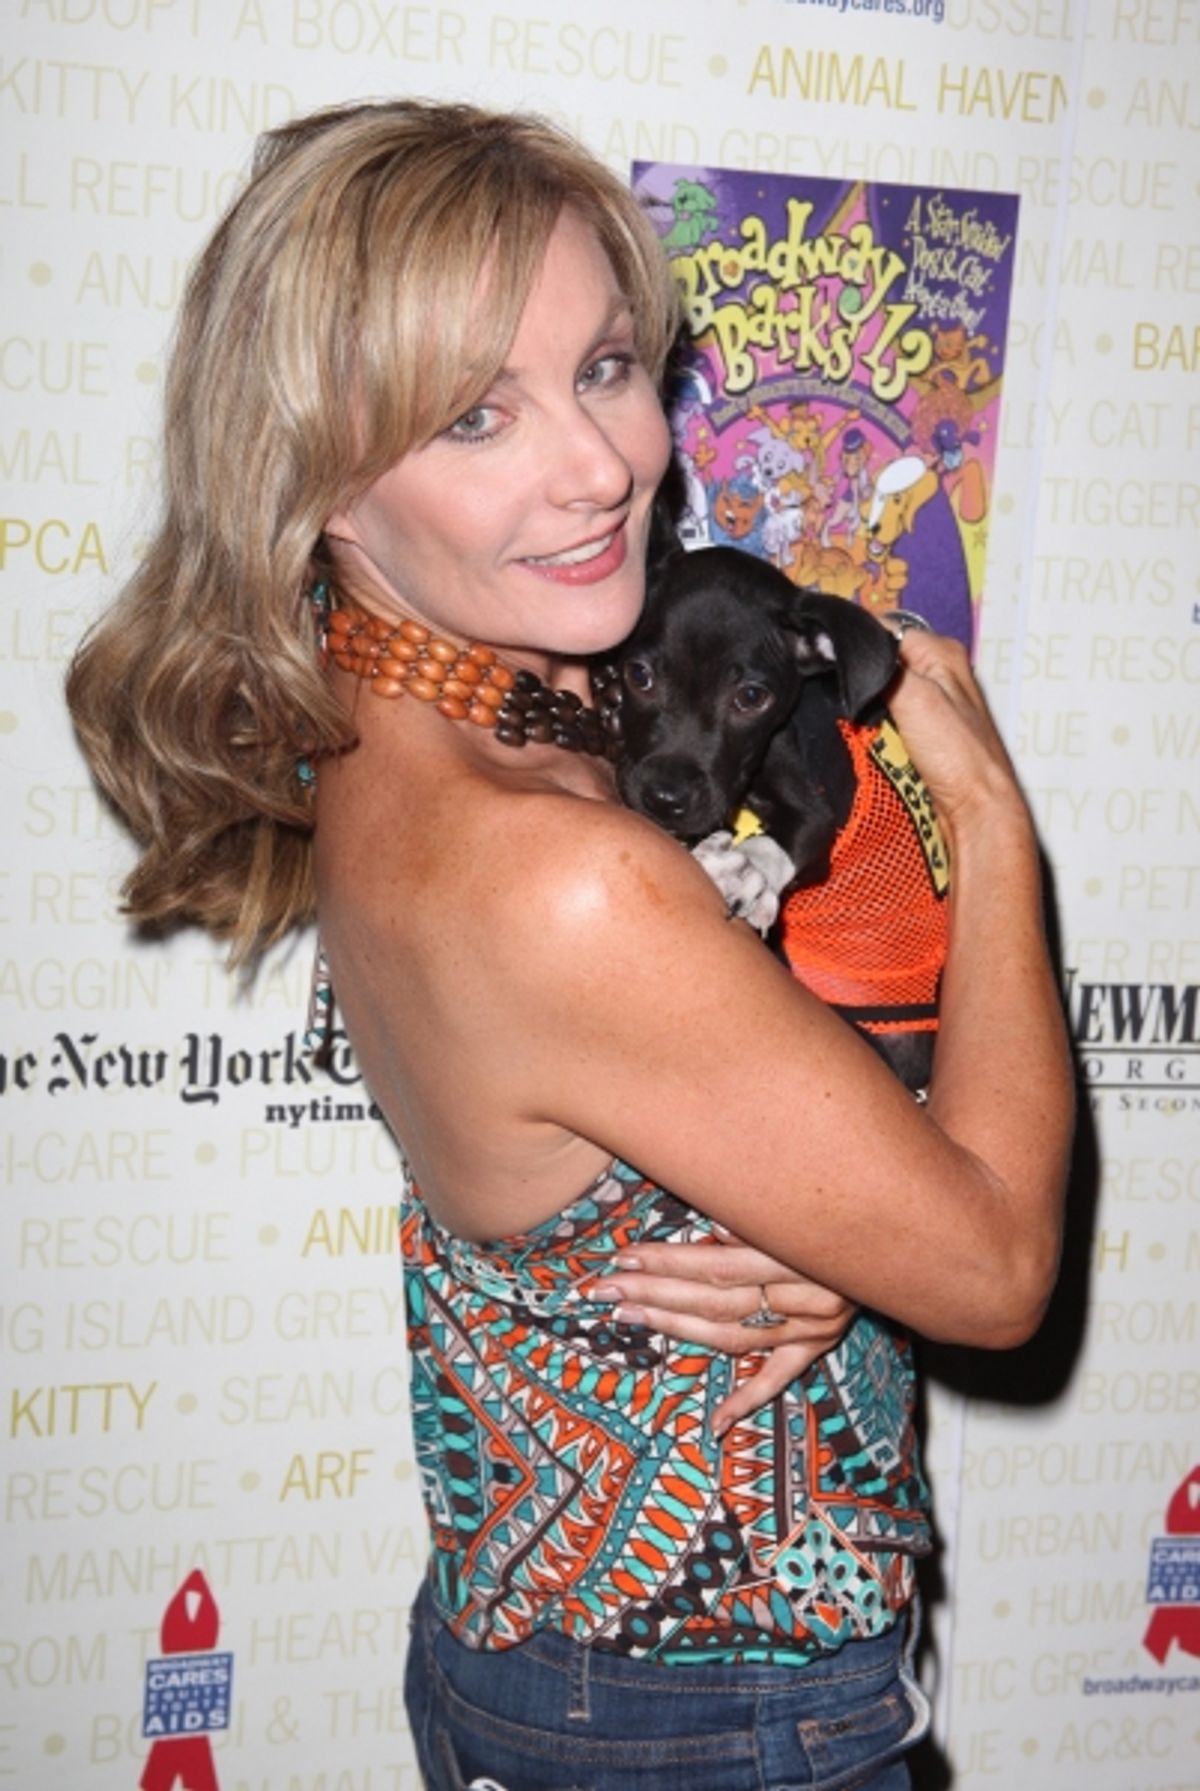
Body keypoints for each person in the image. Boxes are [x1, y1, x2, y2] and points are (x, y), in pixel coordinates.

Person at [67, 100, 1074, 1791]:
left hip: (554, 1662)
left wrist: (821, 1204)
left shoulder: (412, 714)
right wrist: (995, 825)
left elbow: (607, 1134)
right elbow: (994, 1271)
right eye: (478, 415)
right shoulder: (557, 869)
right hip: (713, 1715)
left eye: (607, 367)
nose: (601, 465)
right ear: (315, 477)